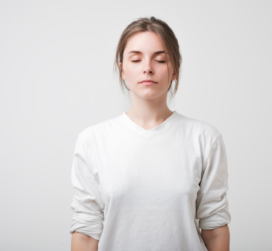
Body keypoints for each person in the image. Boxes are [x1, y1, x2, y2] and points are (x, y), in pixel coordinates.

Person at [70, 16, 231, 251]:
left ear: (174, 69)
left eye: (160, 59)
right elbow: (85, 232)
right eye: (136, 59)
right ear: (122, 69)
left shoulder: (205, 139)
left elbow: (215, 228)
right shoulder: (92, 140)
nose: (147, 68)